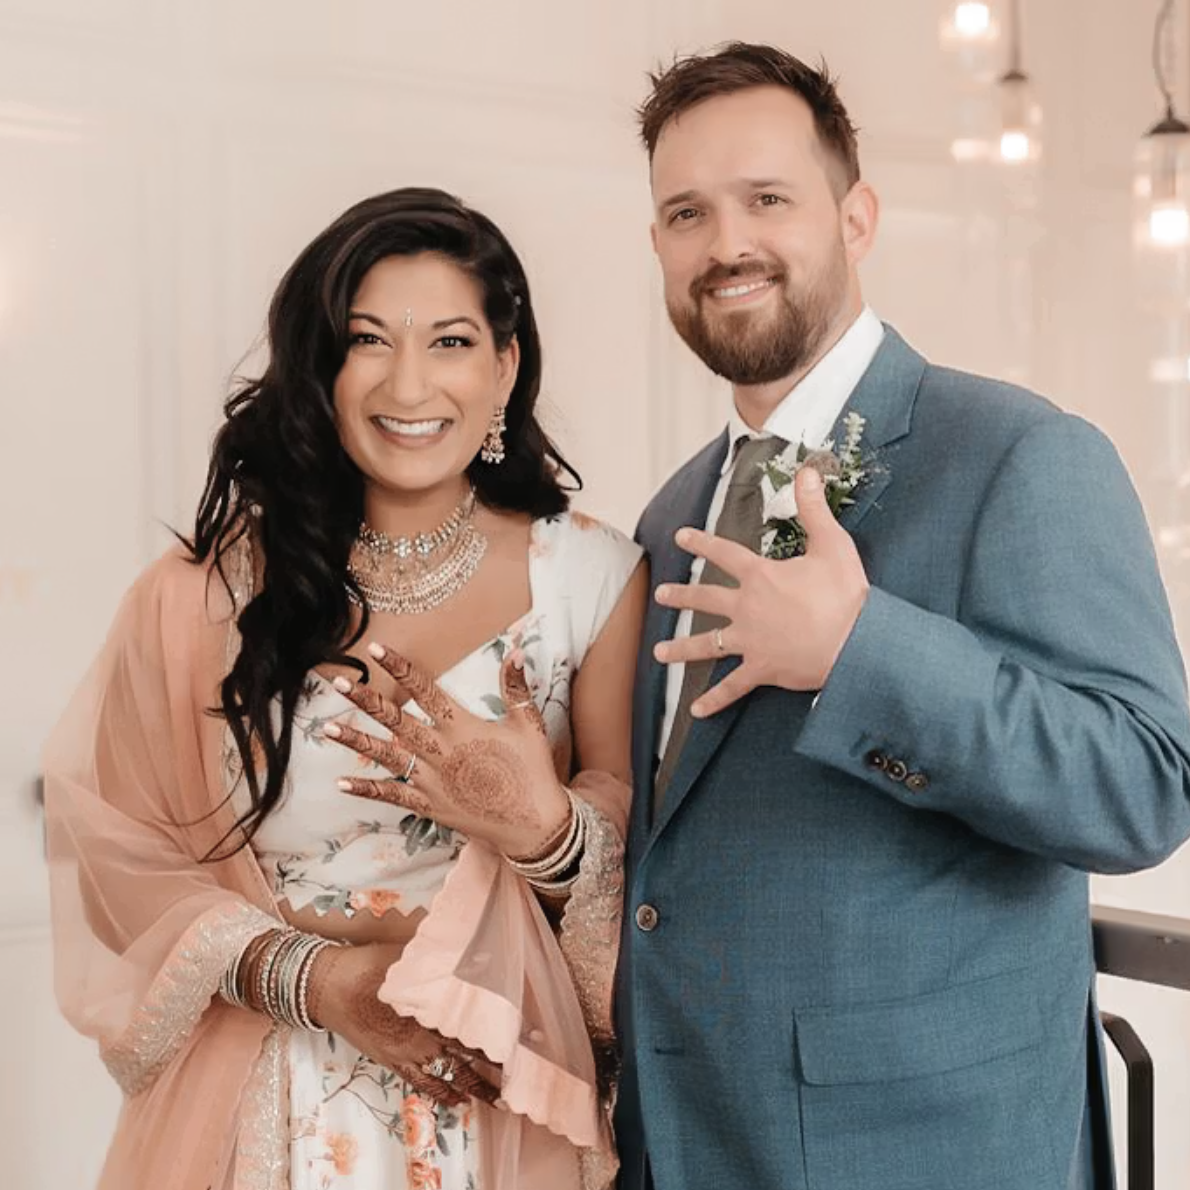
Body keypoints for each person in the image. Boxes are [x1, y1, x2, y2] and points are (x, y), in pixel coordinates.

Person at [614, 42, 1190, 1190]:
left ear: (854, 216)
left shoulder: (1021, 454)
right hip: (688, 1138)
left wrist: (855, 652)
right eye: (686, 213)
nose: (725, 244)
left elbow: (1142, 784)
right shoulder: (669, 510)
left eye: (766, 199)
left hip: (928, 1149)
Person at [44, 186, 646, 1190]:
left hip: (501, 1116)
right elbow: (116, 855)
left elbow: (645, 866)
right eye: (369, 339)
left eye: (450, 341)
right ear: (322, 368)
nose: (408, 382)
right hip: (261, 1105)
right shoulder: (205, 595)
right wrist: (321, 981)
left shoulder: (591, 582)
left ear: (504, 367)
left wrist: (541, 822)